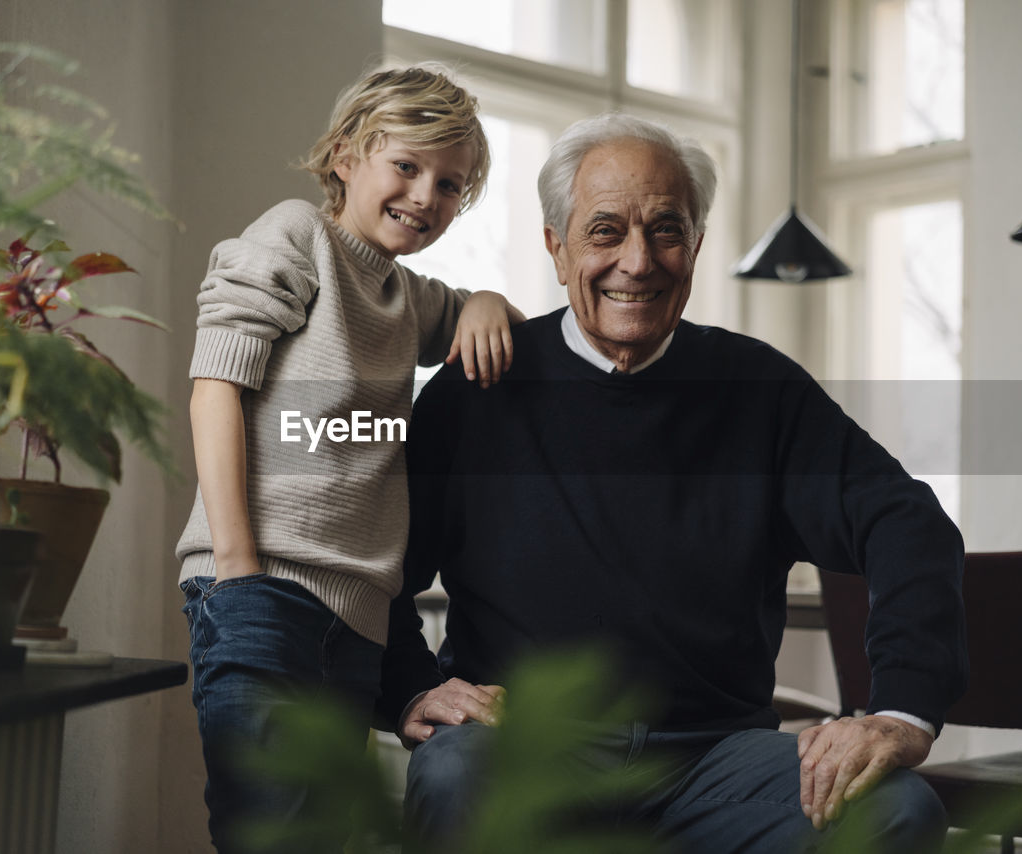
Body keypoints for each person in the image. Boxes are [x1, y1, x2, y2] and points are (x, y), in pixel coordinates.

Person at [377, 113, 968, 853]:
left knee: (898, 811)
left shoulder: (761, 390)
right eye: (604, 232)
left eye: (666, 229)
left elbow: (905, 521)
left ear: (694, 246)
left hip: (717, 760)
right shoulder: (478, 388)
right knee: (452, 774)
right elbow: (381, 564)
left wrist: (902, 712)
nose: (638, 260)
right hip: (524, 745)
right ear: (557, 249)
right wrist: (408, 685)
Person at [174, 66, 524, 853]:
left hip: (356, 620)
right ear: (344, 156)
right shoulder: (298, 236)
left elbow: (481, 317)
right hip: (263, 591)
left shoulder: (408, 296)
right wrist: (237, 568)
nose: (426, 197)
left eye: (449, 184)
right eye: (406, 167)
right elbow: (213, 390)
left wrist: (488, 303)